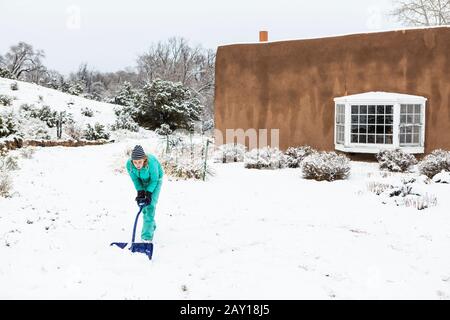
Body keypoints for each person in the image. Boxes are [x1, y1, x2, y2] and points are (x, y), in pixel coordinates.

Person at [125, 145, 164, 243]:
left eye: (140, 162)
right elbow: (135, 180)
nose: (137, 165)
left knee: (150, 206)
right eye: (135, 162)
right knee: (144, 207)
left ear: (144, 159)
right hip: (142, 181)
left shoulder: (151, 163)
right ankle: (151, 225)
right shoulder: (129, 165)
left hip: (156, 181)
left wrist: (149, 193)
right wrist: (140, 191)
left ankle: (146, 237)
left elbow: (154, 180)